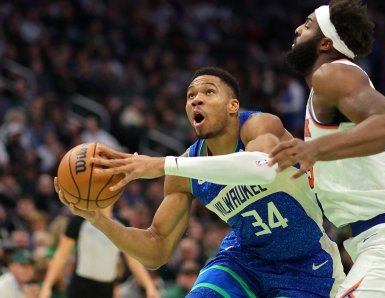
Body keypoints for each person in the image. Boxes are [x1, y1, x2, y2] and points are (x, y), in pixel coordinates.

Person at [56, 67, 346, 297]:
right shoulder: (186, 171)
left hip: (306, 262)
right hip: (245, 259)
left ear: (233, 105)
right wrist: (96, 219)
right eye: (190, 95)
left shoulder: (260, 126)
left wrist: (161, 164)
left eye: (209, 91)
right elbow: (156, 250)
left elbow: (262, 167)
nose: (196, 98)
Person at [266, 0, 385, 296]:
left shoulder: (333, 75)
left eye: (308, 24)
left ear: (325, 43)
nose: (298, 28)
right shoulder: (344, 90)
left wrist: (317, 150)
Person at [38, 205, 160, 298]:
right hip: (80, 287)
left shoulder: (122, 224)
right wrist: (47, 286)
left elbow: (133, 260)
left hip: (107, 288)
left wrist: (149, 286)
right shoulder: (79, 220)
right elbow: (61, 255)